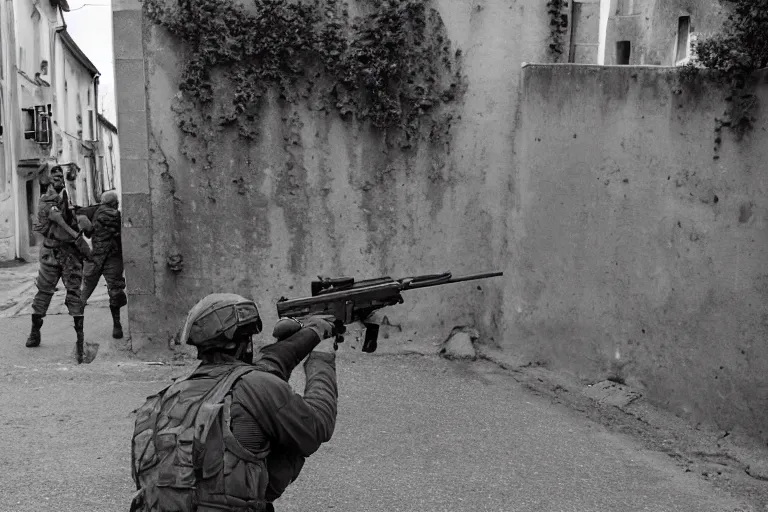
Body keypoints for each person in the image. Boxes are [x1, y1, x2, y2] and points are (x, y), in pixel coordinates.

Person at [130, 293, 340, 512]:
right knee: (287, 432)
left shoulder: (171, 394)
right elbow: (318, 427)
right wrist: (321, 357)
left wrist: (313, 331)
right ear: (246, 344)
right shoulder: (257, 386)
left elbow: (270, 362)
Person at [26, 165, 93, 364]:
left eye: (59, 176)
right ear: (48, 179)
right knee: (44, 292)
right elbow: (58, 221)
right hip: (52, 251)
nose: (58, 179)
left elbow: (69, 218)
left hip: (69, 253)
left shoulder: (65, 195)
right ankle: (34, 332)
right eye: (54, 176)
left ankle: (80, 342)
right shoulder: (46, 199)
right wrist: (76, 236)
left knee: (74, 293)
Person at [80, 189, 127, 339]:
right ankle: (117, 325)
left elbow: (84, 225)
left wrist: (87, 227)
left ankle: (78, 326)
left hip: (95, 258)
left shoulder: (94, 212)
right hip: (112, 258)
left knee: (85, 290)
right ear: (114, 203)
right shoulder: (115, 215)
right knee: (115, 290)